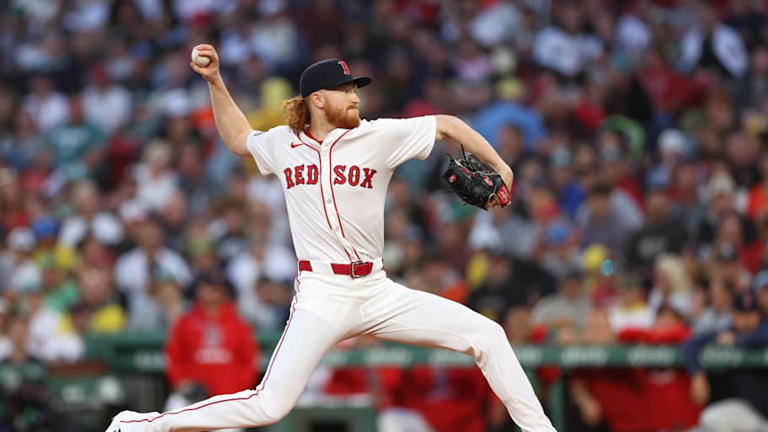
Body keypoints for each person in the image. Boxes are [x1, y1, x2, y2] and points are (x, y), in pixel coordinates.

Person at [106, 45, 555, 431]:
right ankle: (141, 424)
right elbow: (240, 139)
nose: (355, 96)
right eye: (346, 90)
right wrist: (216, 80)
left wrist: (503, 166)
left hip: (378, 289)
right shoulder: (284, 143)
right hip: (322, 292)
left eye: (355, 89)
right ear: (318, 99)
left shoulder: (379, 136)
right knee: (270, 404)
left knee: (488, 335)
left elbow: (448, 125)